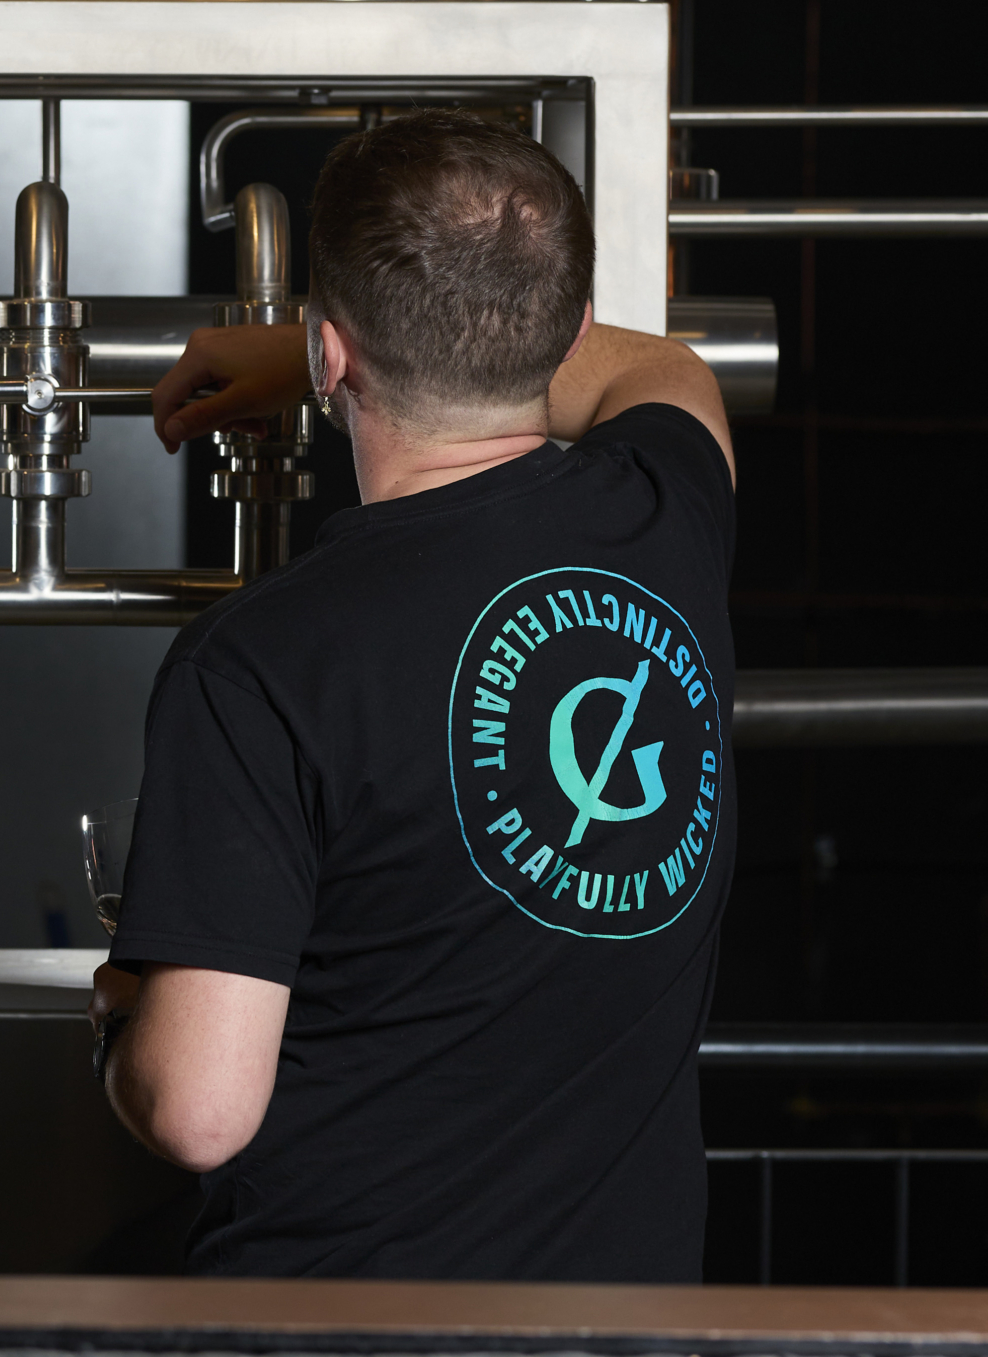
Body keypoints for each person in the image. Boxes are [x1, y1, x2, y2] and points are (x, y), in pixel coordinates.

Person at [88, 109, 737, 1281]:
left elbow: (197, 1112)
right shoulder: (668, 518)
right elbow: (661, 365)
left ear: (334, 350)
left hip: (341, 1355)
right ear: (565, 325)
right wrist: (316, 347)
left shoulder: (258, 661)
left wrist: (124, 1032)